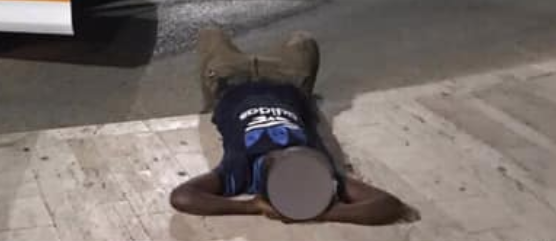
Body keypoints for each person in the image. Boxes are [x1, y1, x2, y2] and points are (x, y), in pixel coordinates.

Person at [170, 28, 406, 225]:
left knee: (210, 31)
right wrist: (323, 212)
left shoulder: (239, 172)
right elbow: (388, 204)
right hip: (288, 79)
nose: (292, 152)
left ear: (266, 176)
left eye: (282, 159)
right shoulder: (320, 175)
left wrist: (252, 206)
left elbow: (182, 197)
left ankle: (210, 102)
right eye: (303, 156)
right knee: (303, 39)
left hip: (230, 80)